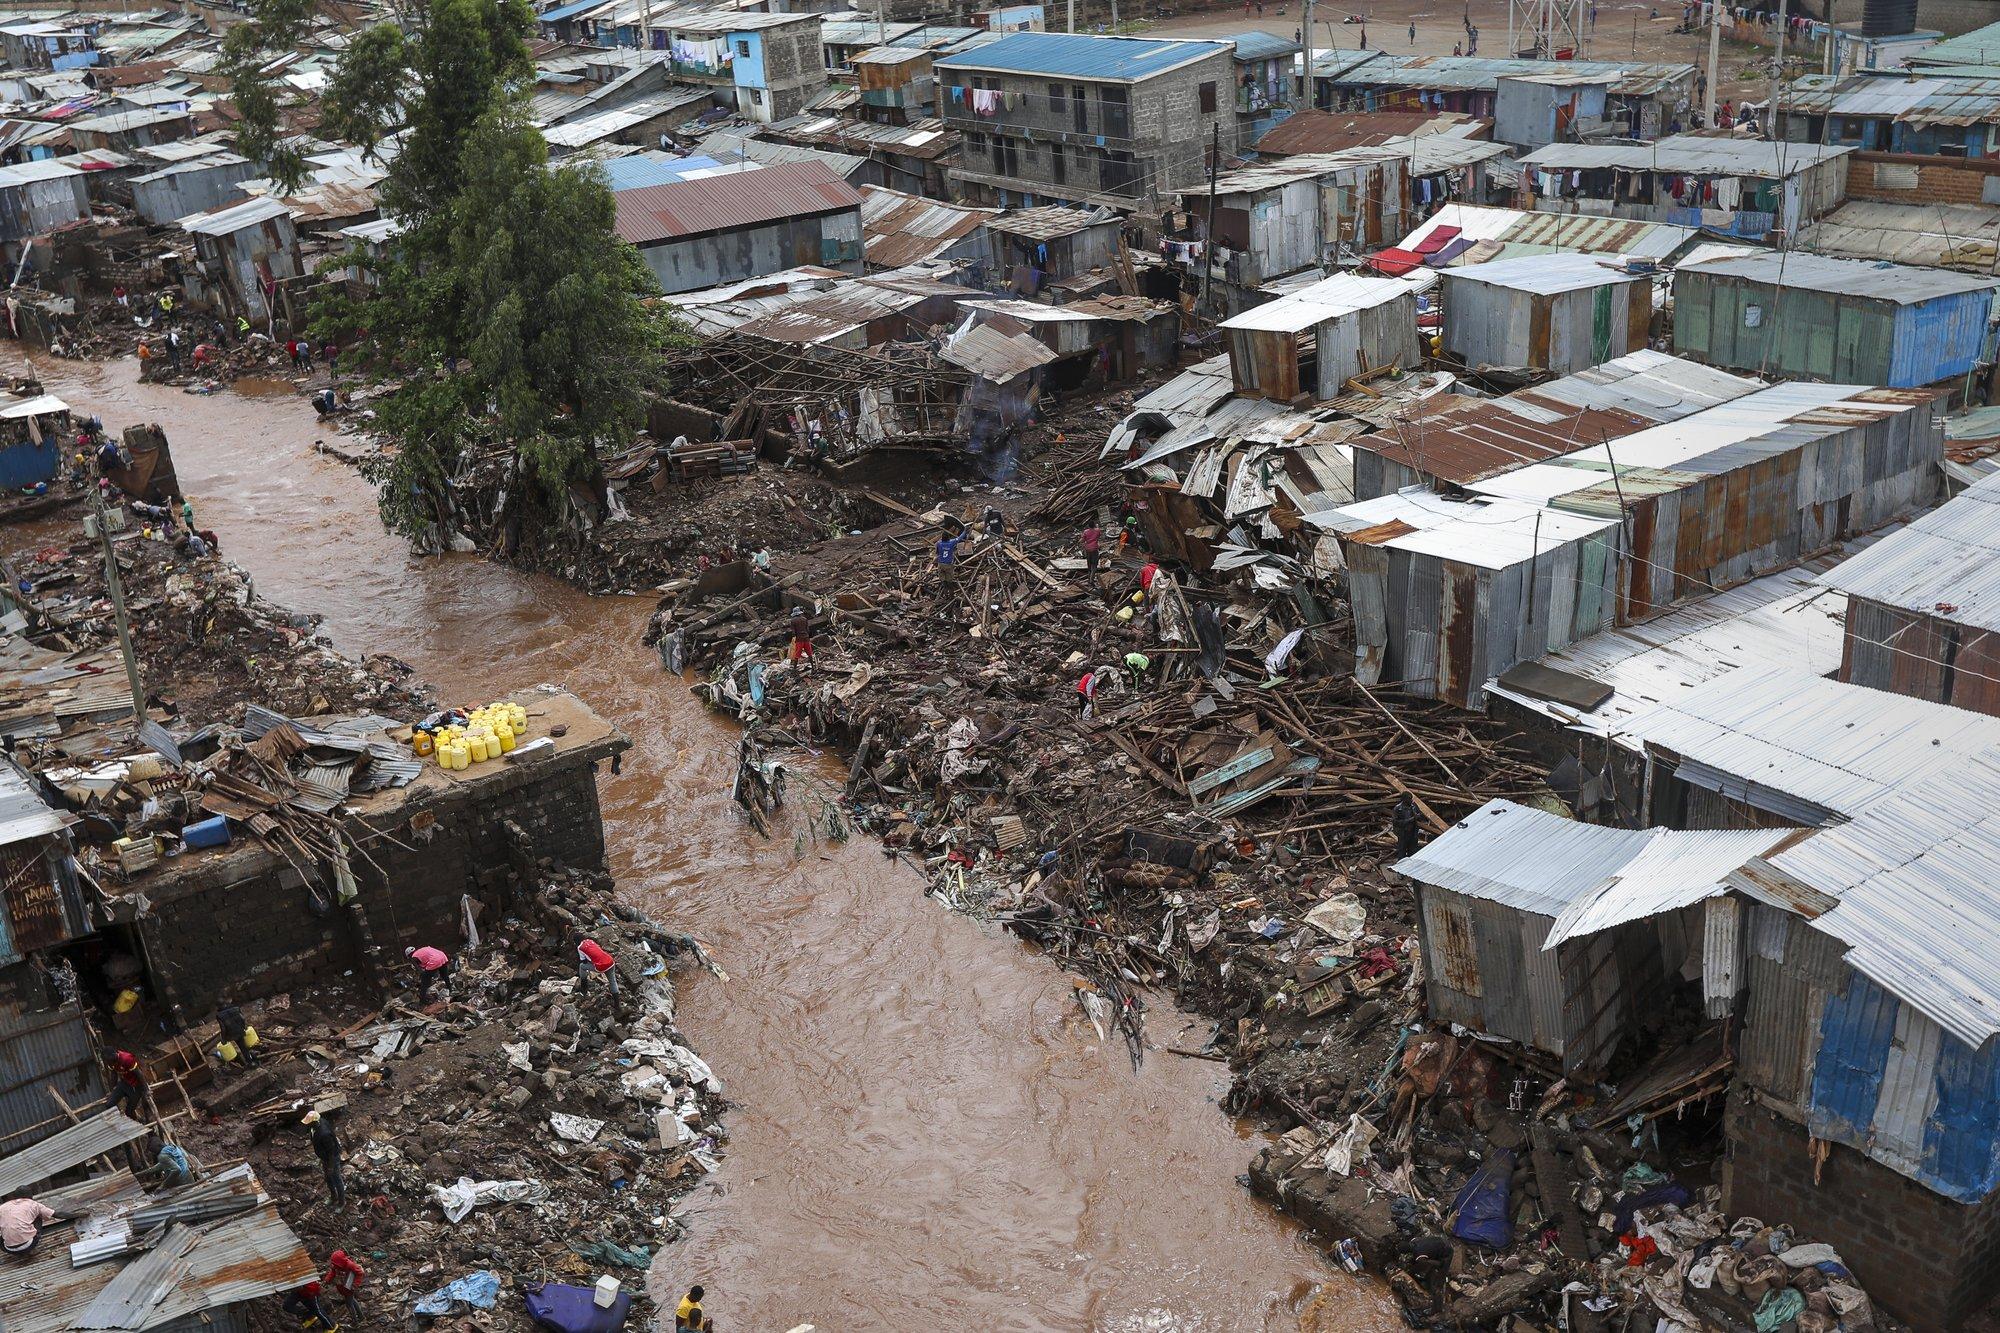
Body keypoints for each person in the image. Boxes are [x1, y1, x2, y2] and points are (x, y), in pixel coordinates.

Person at [306, 1112, 345, 1207]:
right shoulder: (315, 1127)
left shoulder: (324, 1134)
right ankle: (333, 1196)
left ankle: (341, 1202)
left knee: (336, 1179)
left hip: (332, 1158)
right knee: (328, 1178)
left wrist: (331, 1166)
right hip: (325, 1157)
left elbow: (331, 1152)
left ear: (315, 1122)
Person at [324, 1251, 364, 1319]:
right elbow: (332, 1272)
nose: (334, 1265)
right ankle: (361, 1316)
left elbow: (360, 1273)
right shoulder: (335, 1266)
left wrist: (354, 1285)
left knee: (349, 1305)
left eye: (335, 1264)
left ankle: (355, 1321)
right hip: (342, 1288)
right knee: (352, 1301)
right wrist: (327, 1279)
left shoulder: (350, 1265)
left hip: (349, 1288)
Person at [577, 936, 619, 1001]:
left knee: (582, 966)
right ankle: (617, 1004)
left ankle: (584, 988)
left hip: (601, 966)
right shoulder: (590, 940)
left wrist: (590, 960)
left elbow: (583, 961)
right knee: (613, 981)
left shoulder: (580, 947)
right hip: (610, 961)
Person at [217, 1002, 259, 1066]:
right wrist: (244, 1026)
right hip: (240, 1029)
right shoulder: (235, 1008)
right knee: (244, 1046)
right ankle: (251, 1059)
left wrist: (223, 1038)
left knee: (239, 1047)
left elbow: (223, 1028)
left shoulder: (219, 1015)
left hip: (231, 1033)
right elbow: (242, 1018)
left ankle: (248, 1062)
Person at [105, 1050, 144, 1116]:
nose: (108, 1062)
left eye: (108, 1060)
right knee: (109, 1104)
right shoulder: (110, 1062)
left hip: (135, 1085)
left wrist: (146, 1089)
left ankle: (137, 1122)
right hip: (124, 1083)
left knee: (129, 1111)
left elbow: (139, 1073)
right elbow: (114, 1074)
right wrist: (112, 1090)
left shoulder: (127, 1059)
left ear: (113, 1055)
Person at [1391, 793, 1421, 860]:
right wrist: (1411, 819)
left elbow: (1419, 815)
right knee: (1402, 852)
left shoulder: (1414, 806)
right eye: (1409, 798)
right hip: (1403, 833)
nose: (1411, 800)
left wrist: (1418, 816)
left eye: (1411, 798)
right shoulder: (1398, 809)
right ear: (1404, 799)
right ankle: (1400, 868)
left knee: (1413, 851)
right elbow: (1395, 822)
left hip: (1413, 832)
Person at [786, 607, 814, 671]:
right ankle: (813, 666)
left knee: (797, 654)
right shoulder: (805, 619)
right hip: (806, 638)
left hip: (799, 639)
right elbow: (808, 630)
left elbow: (793, 633)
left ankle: (794, 669)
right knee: (809, 653)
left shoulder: (793, 621)